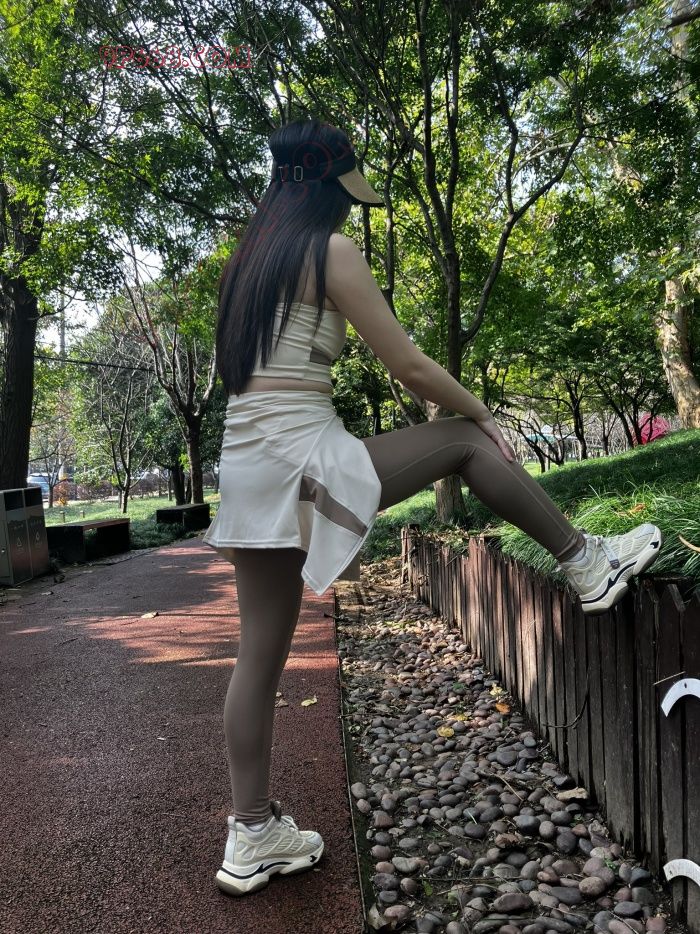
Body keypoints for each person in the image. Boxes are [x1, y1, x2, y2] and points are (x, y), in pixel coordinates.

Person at [203, 117, 663, 897]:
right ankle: (588, 563)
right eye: (346, 194)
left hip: (247, 471)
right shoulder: (329, 252)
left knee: (258, 656)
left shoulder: (245, 267)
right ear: (326, 190)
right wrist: (482, 410)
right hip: (305, 459)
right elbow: (408, 364)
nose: (350, 209)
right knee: (465, 441)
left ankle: (251, 834)